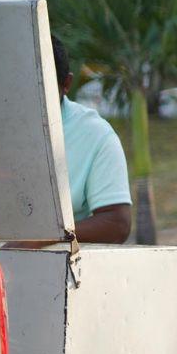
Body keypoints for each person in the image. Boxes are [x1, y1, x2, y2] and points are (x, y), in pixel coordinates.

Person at [51, 35, 132, 243]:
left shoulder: (96, 135)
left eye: (41, 87)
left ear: (66, 83)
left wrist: (44, 239)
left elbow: (117, 224)